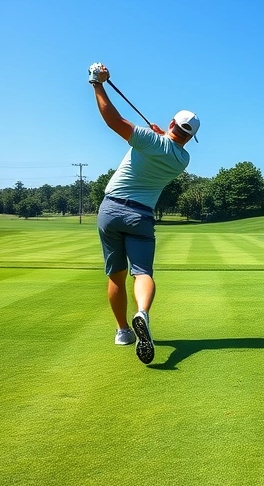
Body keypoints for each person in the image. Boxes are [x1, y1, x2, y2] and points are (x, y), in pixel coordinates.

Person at [88, 63, 199, 365]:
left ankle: (123, 330)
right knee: (143, 272)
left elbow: (113, 121)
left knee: (116, 275)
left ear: (172, 122)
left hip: (111, 210)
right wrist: (161, 135)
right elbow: (169, 145)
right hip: (141, 217)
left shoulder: (151, 140)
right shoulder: (182, 160)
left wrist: (97, 83)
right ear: (190, 137)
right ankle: (143, 313)